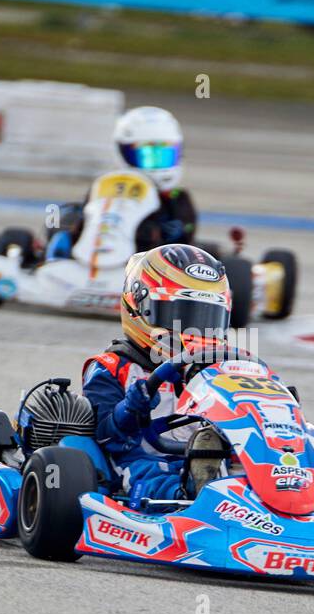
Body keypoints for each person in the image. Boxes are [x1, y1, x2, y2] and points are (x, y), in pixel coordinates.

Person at [81, 243, 231, 501]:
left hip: (205, 455)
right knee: (153, 475)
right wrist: (131, 407)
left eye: (206, 319)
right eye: (181, 316)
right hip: (135, 458)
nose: (194, 330)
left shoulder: (218, 370)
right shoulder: (111, 367)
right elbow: (105, 436)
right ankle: (186, 494)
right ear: (138, 305)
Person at [46, 106, 197, 260]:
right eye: (147, 156)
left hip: (150, 265)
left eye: (164, 156)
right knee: (63, 217)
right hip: (91, 251)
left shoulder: (177, 200)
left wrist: (173, 234)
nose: (157, 164)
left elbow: (187, 241)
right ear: (122, 152)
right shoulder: (105, 186)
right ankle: (56, 258)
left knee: (151, 231)